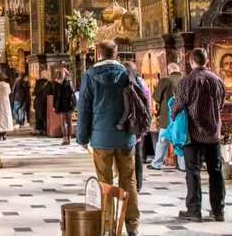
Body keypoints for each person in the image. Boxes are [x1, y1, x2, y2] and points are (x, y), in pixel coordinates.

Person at [76, 40, 140, 236]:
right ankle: (132, 225)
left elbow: (84, 108)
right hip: (126, 136)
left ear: (98, 54)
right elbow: (138, 102)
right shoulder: (127, 73)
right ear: (116, 53)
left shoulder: (90, 75)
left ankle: (108, 227)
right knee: (129, 181)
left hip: (101, 138)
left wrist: (82, 137)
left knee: (105, 183)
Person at [173, 48, 226, 223]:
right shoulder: (217, 80)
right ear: (207, 60)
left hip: (193, 134)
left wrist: (174, 117)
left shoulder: (187, 81)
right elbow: (221, 105)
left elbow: (179, 106)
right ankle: (218, 211)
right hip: (213, 133)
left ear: (191, 62)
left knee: (193, 172)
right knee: (215, 171)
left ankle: (194, 211)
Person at [149, 63, 185, 171]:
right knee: (180, 140)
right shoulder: (185, 80)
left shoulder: (165, 80)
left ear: (169, 70)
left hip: (167, 116)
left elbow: (156, 97)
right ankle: (183, 166)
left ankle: (157, 163)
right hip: (182, 116)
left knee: (162, 140)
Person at [124, 62, 151, 192]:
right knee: (138, 154)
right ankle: (138, 184)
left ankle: (129, 183)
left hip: (128, 124)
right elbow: (148, 103)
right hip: (140, 124)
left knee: (126, 155)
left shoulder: (125, 84)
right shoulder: (142, 84)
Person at [53, 68, 76, 145]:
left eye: (64, 73)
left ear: (66, 74)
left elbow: (72, 92)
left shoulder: (69, 81)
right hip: (60, 104)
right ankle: (64, 138)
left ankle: (69, 138)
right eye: (61, 73)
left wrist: (69, 83)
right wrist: (54, 106)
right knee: (62, 122)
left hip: (69, 104)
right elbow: (55, 95)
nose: (63, 74)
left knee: (69, 121)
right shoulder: (56, 83)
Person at [0, 75, 13, 141]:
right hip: (5, 103)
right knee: (5, 118)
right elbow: (9, 92)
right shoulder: (7, 85)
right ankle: (4, 134)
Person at [33, 71, 53, 136]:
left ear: (41, 75)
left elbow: (35, 92)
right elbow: (52, 92)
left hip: (39, 102)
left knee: (39, 115)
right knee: (45, 115)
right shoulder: (49, 83)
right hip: (47, 102)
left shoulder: (38, 82)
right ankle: (45, 129)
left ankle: (39, 129)